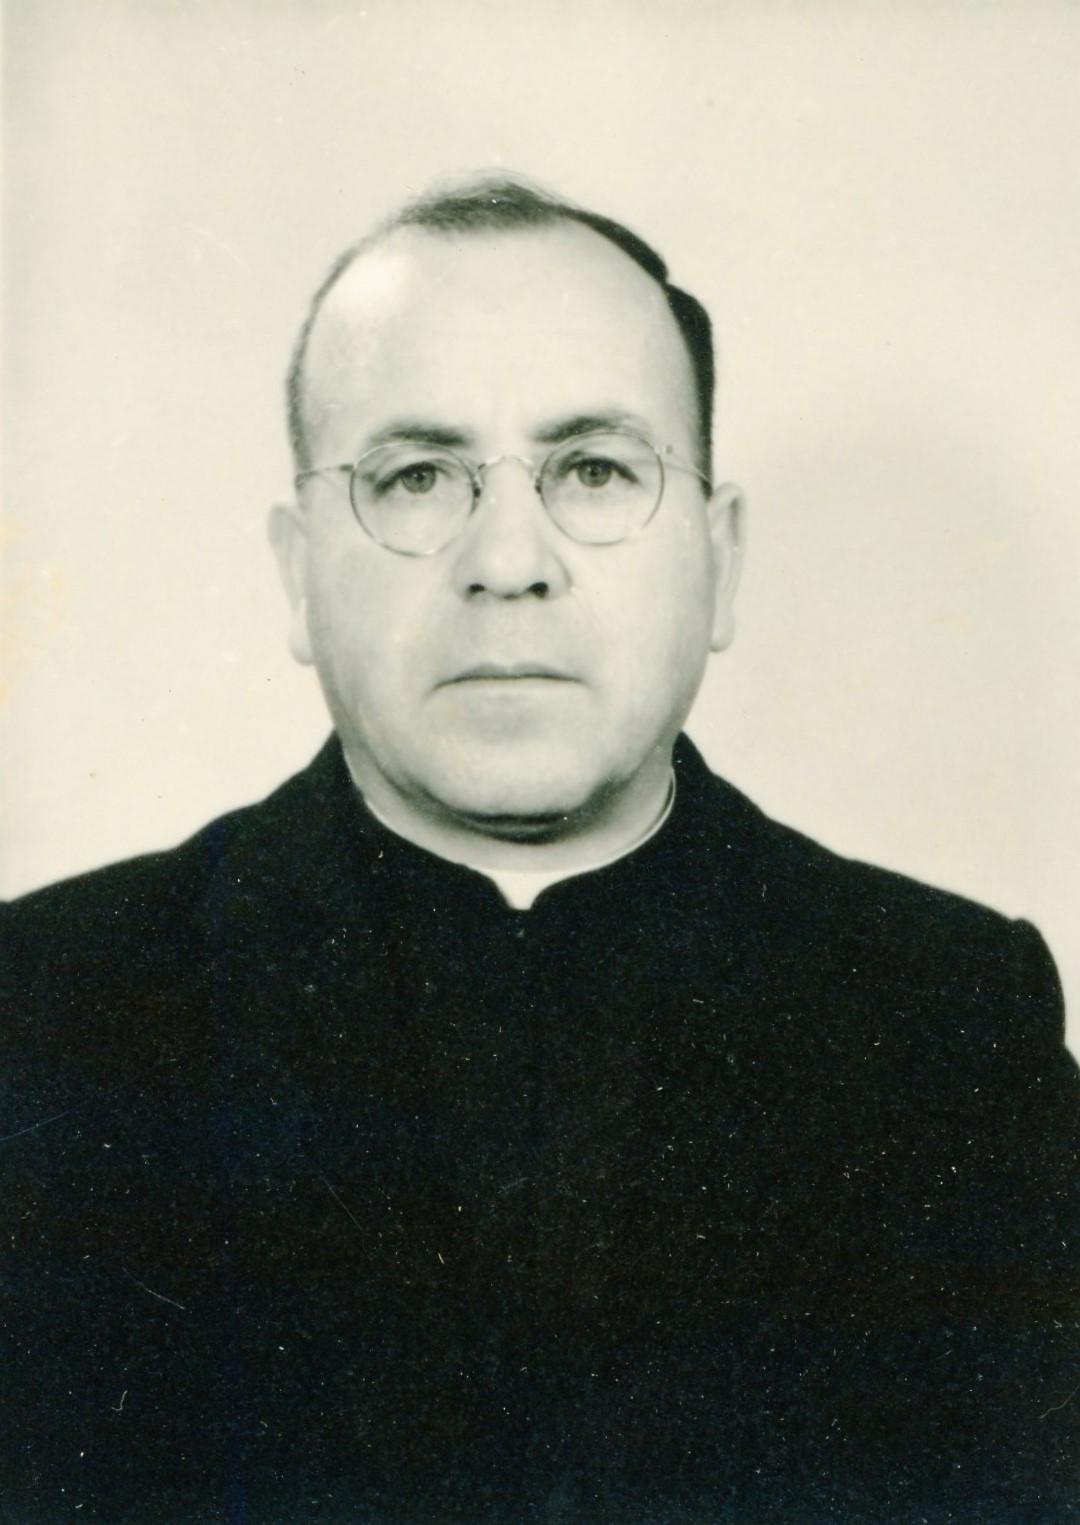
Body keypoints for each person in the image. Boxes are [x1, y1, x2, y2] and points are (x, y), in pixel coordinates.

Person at [2, 175, 1077, 1525]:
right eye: (414, 477)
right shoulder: (49, 1011)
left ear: (721, 559)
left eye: (595, 469)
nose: (508, 559)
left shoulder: (952, 1025)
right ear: (296, 571)